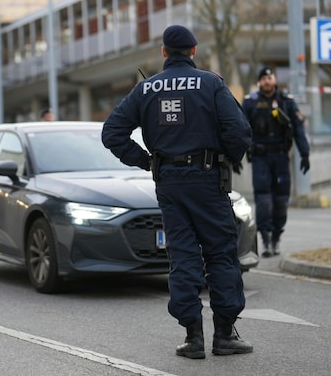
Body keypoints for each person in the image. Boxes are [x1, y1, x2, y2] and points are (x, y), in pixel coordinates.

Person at [101, 24, 253, 359]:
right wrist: (227, 158)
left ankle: (193, 338)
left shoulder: (146, 90)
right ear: (194, 51)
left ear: (164, 53)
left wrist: (146, 161)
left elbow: (112, 132)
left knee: (183, 255)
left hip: (168, 182)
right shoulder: (211, 83)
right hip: (208, 179)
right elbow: (239, 130)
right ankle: (225, 336)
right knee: (220, 254)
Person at [242, 67, 310, 257]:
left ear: (275, 80)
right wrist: (234, 156)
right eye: (263, 78)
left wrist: (304, 153)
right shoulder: (250, 103)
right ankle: (265, 239)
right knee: (263, 200)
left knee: (281, 200)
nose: (267, 81)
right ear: (259, 82)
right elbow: (238, 129)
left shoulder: (286, 102)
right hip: (260, 158)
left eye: (269, 78)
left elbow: (298, 129)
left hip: (280, 157)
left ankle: (276, 236)